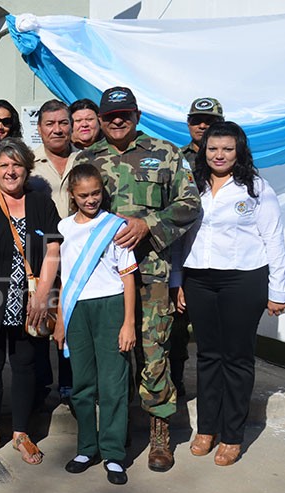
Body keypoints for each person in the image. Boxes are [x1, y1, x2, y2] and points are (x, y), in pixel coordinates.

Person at [78, 86, 201, 472]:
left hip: (150, 275)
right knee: (113, 358)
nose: (117, 121)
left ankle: (159, 435)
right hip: (103, 280)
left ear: (136, 116)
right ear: (99, 119)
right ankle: (117, 432)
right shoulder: (87, 157)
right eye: (110, 115)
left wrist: (148, 225)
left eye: (125, 114)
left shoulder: (165, 153)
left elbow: (189, 204)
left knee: (153, 352)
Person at [176, 121, 285, 466]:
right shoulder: (192, 186)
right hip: (199, 279)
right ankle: (207, 428)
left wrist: (278, 290)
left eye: (226, 149)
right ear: (203, 150)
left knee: (237, 357)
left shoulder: (255, 187)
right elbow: (181, 236)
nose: (219, 155)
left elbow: (275, 240)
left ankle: (233, 434)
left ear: (238, 151)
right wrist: (178, 280)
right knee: (208, 355)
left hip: (243, 280)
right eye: (212, 148)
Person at [0, 138, 60, 466]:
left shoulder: (41, 202)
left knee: (25, 366)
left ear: (27, 168)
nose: (10, 171)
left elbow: (52, 249)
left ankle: (22, 433)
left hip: (30, 300)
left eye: (17, 165)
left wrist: (42, 293)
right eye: (4, 165)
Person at [53, 163, 137, 485]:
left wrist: (128, 322)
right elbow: (65, 280)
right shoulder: (64, 229)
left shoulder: (115, 226)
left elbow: (129, 277)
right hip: (77, 311)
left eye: (97, 193)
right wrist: (60, 320)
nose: (92, 200)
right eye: (84, 195)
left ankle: (114, 453)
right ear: (73, 196)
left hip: (111, 306)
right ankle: (87, 447)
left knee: (113, 382)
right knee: (82, 383)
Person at [170, 97, 224, 398]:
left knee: (217, 332)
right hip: (185, 254)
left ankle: (215, 389)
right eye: (196, 120)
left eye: (209, 120)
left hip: (220, 259)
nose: (202, 125)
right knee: (177, 329)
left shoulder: (234, 159)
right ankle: (176, 383)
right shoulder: (175, 158)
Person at [27, 99, 79, 406]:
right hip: (41, 256)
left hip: (78, 259)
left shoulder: (88, 159)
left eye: (63, 123)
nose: (57, 129)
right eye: (50, 124)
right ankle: (40, 386)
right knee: (39, 319)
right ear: (40, 128)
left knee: (70, 322)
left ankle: (70, 386)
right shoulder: (29, 164)